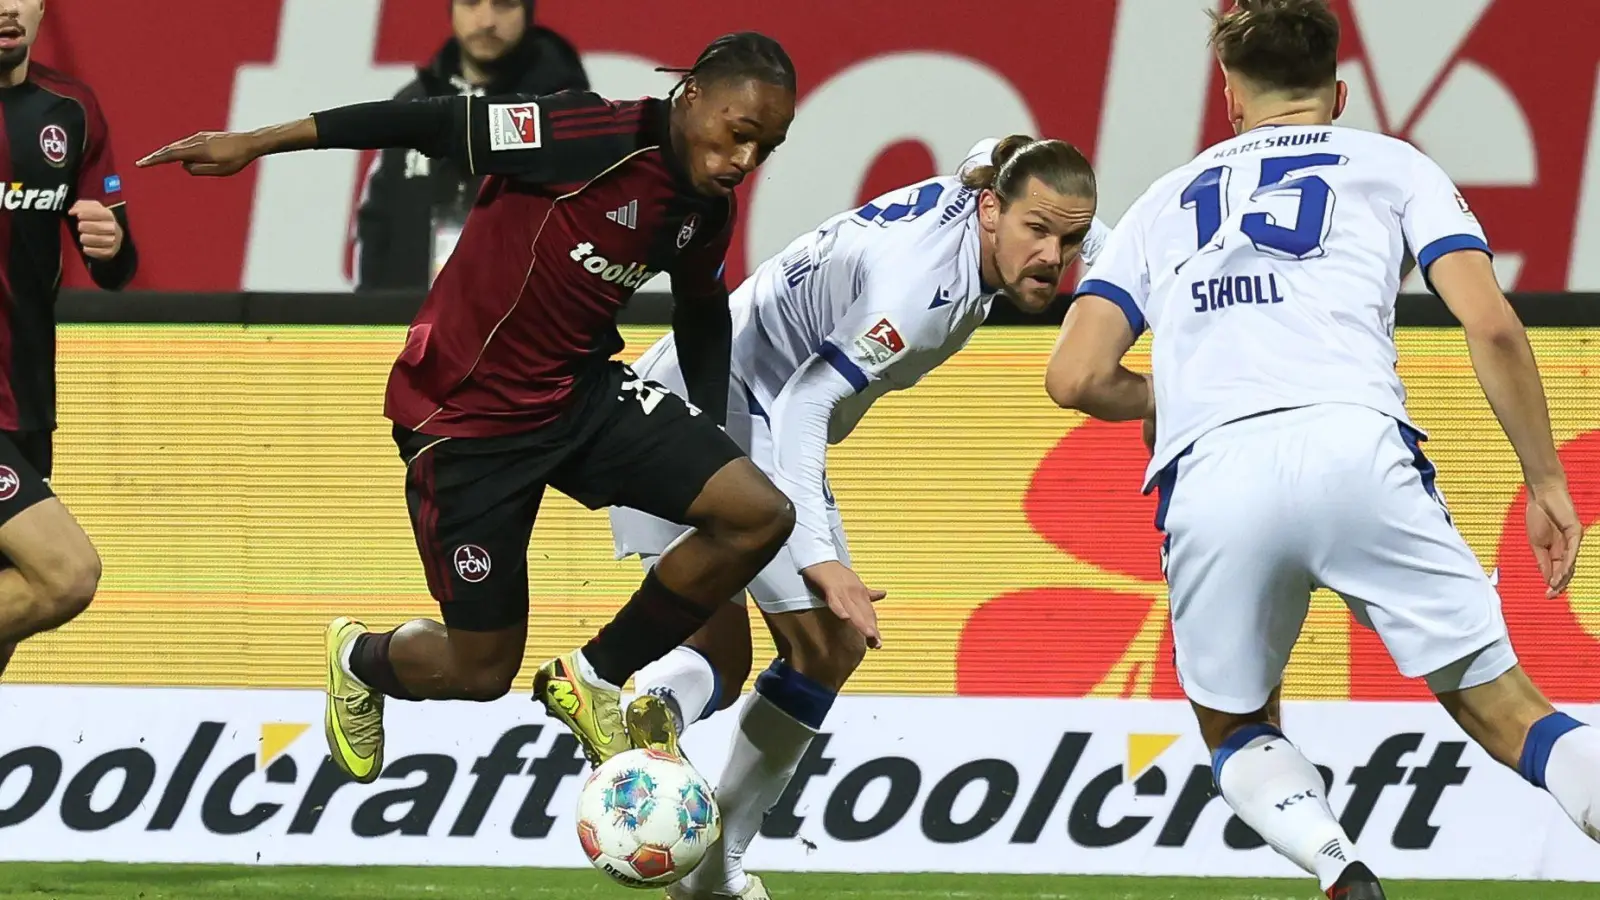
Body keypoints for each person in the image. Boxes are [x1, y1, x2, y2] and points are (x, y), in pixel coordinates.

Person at [136, 33, 831, 780]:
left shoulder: (703, 210)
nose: (745, 161)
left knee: (757, 510)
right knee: (479, 670)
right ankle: (363, 659)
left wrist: (720, 440)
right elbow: (428, 122)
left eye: (767, 148)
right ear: (691, 93)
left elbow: (701, 313)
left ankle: (590, 678)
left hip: (580, 394)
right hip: (464, 420)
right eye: (740, 134)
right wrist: (257, 141)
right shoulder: (584, 133)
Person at [1046, 1, 1596, 898]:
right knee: (1510, 717)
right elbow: (1490, 323)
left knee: (1234, 727)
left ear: (1229, 100)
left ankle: (1338, 870)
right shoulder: (1394, 165)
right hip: (1355, 448)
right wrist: (1543, 480)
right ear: (1338, 92)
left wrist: (1169, 395)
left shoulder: (1162, 202)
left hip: (1215, 470)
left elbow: (1073, 376)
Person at [608, 135, 1107, 900]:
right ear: (991, 210)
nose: (1055, 255)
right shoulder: (916, 296)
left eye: (1071, 239)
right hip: (735, 410)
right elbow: (806, 402)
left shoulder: (982, 193)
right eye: (1038, 231)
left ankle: (656, 706)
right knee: (828, 643)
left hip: (667, 389)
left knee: (722, 657)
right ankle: (710, 873)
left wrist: (1114, 259)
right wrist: (821, 557)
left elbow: (993, 156)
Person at [0, 0, 138, 678]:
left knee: (13, 612)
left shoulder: (72, 109)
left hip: (25, 402)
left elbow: (116, 262)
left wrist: (110, 244)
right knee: (66, 575)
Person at [353, 0, 588, 290]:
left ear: (527, 13)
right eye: (471, 3)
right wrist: (375, 316)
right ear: (451, 9)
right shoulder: (411, 104)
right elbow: (377, 224)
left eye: (505, 4)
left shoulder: (566, 114)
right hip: (410, 326)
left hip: (522, 328)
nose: (487, 19)